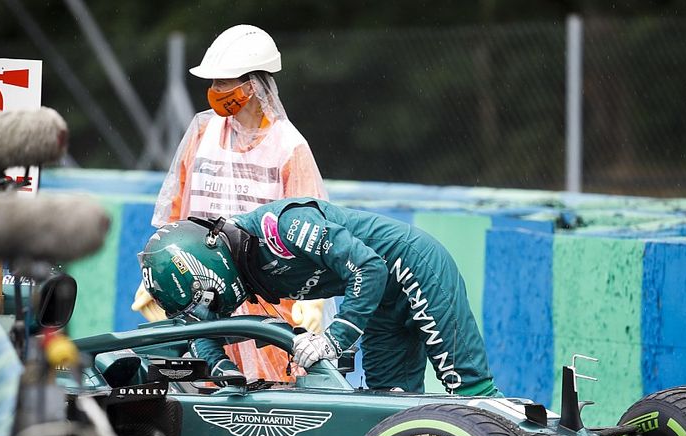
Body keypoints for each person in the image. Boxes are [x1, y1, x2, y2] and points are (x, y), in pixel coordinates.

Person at [138, 198, 500, 396]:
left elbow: (369, 268)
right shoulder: (239, 263)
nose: (207, 308)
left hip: (413, 266)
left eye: (203, 298)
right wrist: (227, 376)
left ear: (208, 266)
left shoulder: (281, 226)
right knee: (392, 406)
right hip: (378, 304)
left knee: (469, 390)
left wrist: (334, 339)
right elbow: (205, 333)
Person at [132, 24, 330, 381]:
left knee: (271, 393)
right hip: (199, 287)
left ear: (252, 85)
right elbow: (177, 211)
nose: (214, 91)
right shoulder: (202, 134)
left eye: (223, 83)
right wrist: (154, 274)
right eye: (213, 83)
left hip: (267, 296)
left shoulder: (288, 147)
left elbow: (314, 228)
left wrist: (311, 298)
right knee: (199, 383)